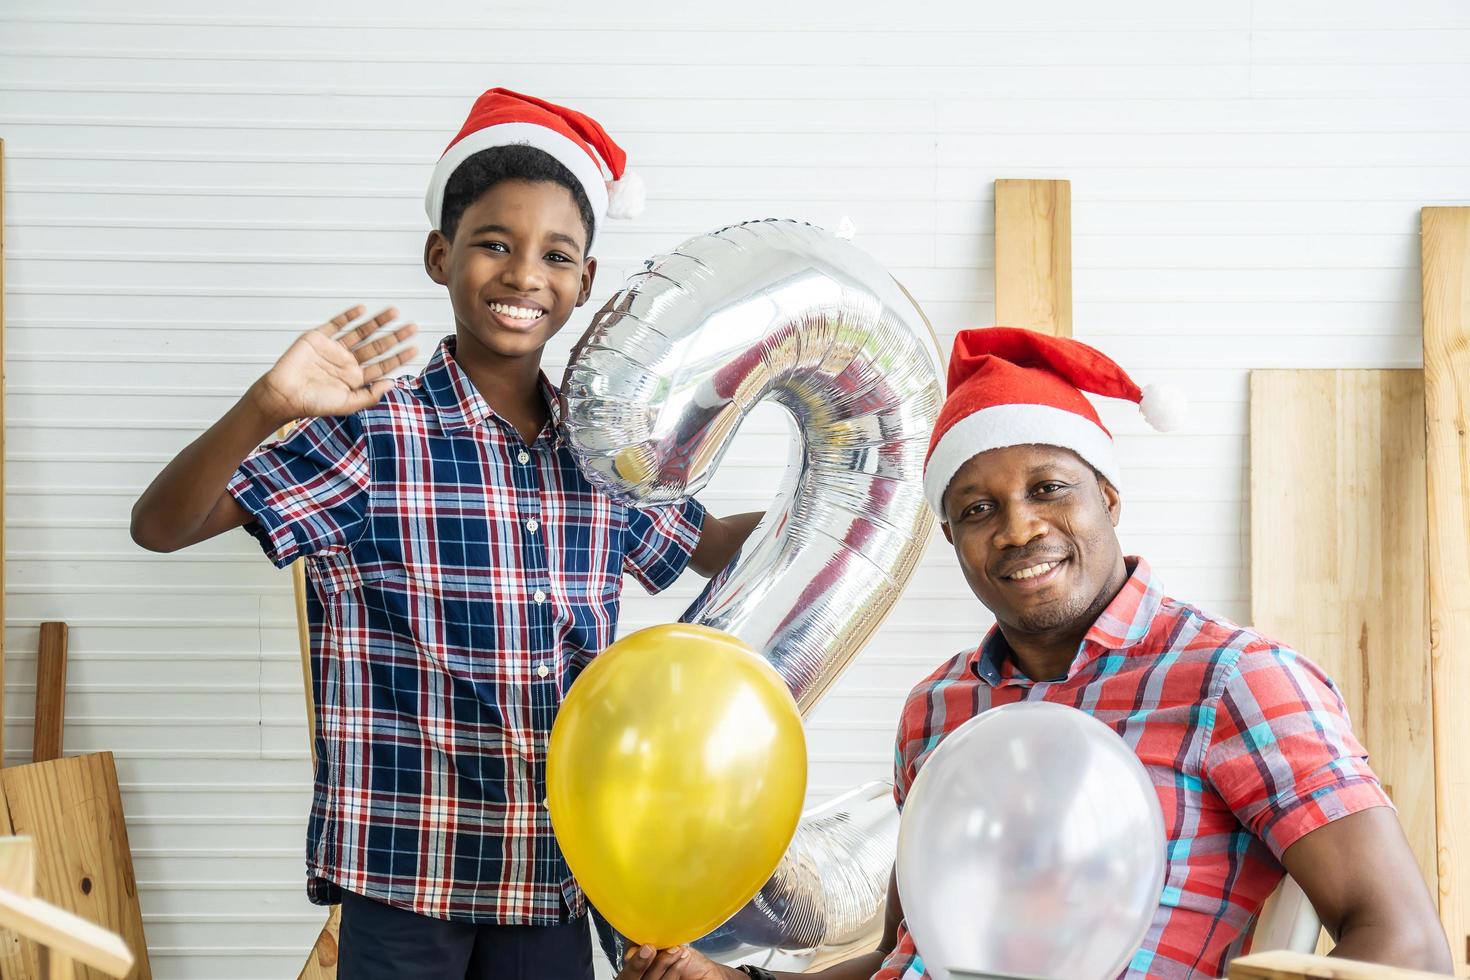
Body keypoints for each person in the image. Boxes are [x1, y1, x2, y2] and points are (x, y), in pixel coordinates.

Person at [130, 88, 760, 980]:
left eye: (556, 256)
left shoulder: (600, 448)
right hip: (405, 877)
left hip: (555, 873)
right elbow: (162, 527)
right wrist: (265, 407)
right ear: (441, 255)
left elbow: (705, 544)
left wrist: (859, 490)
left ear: (583, 284)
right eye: (494, 244)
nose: (523, 276)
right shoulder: (371, 430)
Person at [615, 328, 1450, 980]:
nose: (1017, 527)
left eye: (1049, 487)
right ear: (951, 538)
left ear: (1108, 496)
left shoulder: (1233, 680)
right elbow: (908, 958)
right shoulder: (940, 709)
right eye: (978, 509)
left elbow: (1405, 944)